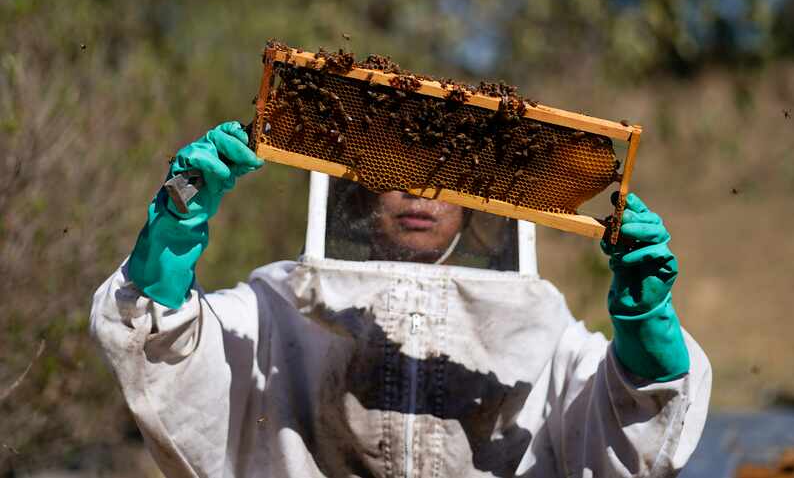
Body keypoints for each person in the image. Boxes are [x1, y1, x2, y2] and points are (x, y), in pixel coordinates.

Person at [91, 121, 711, 478]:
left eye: (450, 177)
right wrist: (170, 239)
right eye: (399, 170)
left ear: (480, 201)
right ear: (359, 186)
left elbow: (624, 420)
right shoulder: (283, 299)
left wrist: (645, 325)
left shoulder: (536, 315)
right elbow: (168, 342)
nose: (422, 194)